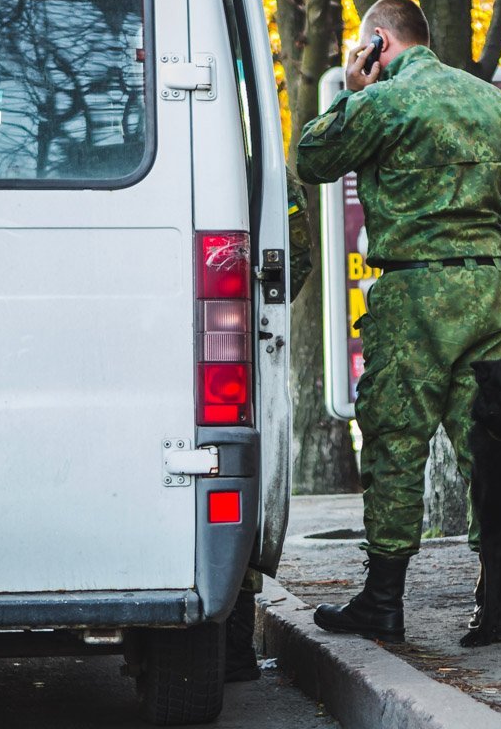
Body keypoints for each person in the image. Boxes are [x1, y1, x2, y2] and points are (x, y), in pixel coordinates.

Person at [295, 0, 501, 641]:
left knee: (395, 444)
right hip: (488, 291)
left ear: (379, 42)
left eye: (365, 47)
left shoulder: (383, 102)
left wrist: (352, 90)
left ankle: (383, 600)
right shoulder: (493, 102)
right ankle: (495, 606)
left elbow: (312, 158)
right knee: (489, 451)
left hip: (412, 295)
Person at [224, 171, 313, 682]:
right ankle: (233, 646)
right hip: (231, 335)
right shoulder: (262, 171)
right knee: (236, 481)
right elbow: (292, 260)